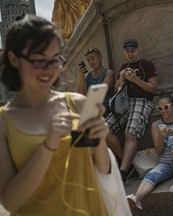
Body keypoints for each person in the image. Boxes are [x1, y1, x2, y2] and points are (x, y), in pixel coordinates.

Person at [0, 15, 131, 216]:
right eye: (38, 60)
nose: (49, 70)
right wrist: (47, 146)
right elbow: (9, 201)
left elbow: (102, 169)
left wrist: (98, 142)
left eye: (55, 60)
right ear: (13, 59)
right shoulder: (4, 122)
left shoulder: (77, 104)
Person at [126, 93, 173, 211]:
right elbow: (158, 151)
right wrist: (161, 138)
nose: (163, 111)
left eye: (166, 107)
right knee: (152, 174)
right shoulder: (156, 125)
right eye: (160, 108)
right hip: (167, 163)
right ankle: (136, 198)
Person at [106, 38, 158, 184]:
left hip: (142, 101)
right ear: (124, 52)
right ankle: (128, 163)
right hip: (123, 103)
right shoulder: (123, 66)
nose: (130, 54)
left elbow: (153, 88)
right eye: (127, 51)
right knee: (103, 129)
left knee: (130, 134)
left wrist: (135, 80)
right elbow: (116, 88)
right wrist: (122, 78)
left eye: (132, 51)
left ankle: (122, 172)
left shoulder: (147, 65)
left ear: (137, 50)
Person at [77, 47, 115, 117]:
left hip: (105, 112)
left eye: (92, 59)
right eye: (88, 60)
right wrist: (82, 78)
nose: (91, 62)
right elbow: (80, 97)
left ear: (100, 57)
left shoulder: (108, 73)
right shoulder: (87, 76)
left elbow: (100, 92)